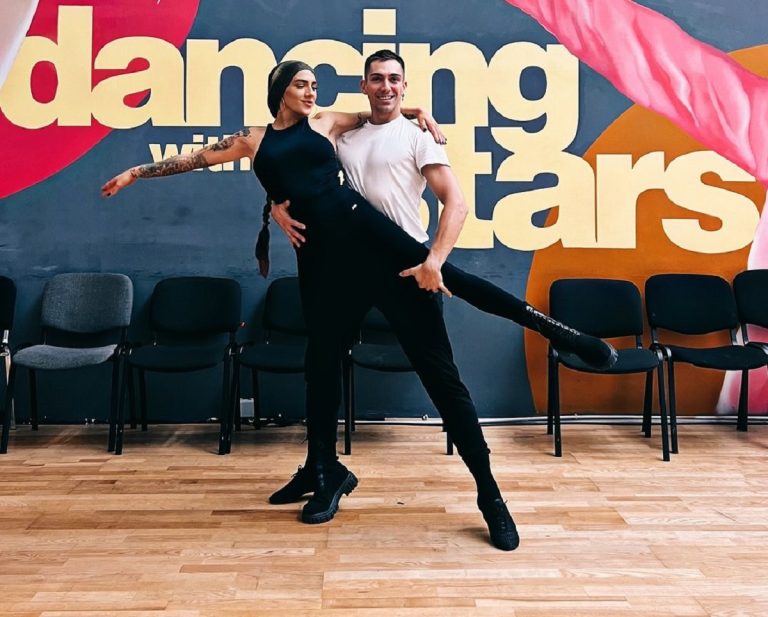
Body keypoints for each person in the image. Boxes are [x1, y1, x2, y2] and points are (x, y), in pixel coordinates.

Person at [101, 58, 617, 551]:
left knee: (450, 319)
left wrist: (416, 110)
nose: (311, 91)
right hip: (323, 265)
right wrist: (137, 174)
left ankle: (495, 485)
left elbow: (378, 112)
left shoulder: (327, 122)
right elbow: (196, 158)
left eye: (314, 85)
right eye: (302, 84)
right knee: (320, 366)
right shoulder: (253, 139)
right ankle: (323, 470)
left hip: (366, 234)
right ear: (281, 89)